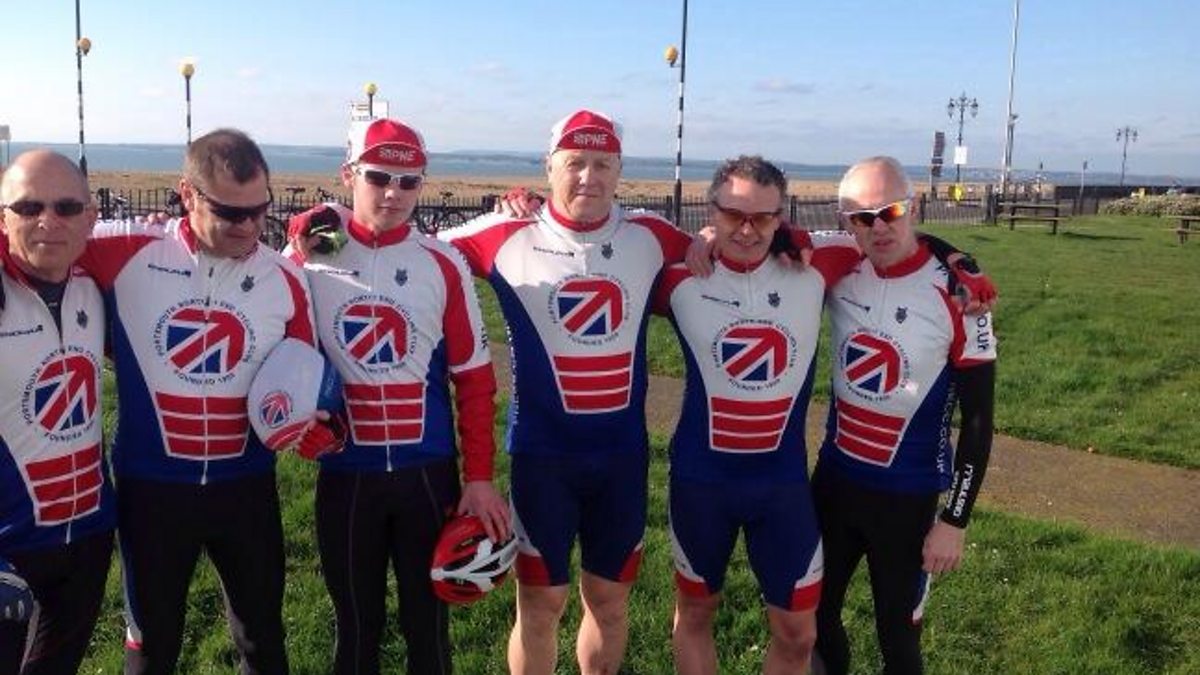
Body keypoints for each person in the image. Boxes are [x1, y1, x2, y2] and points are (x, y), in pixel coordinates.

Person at [79, 129, 322, 675]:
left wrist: (318, 426)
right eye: (230, 213)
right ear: (187, 194)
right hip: (152, 488)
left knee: (262, 638)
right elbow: (30, 237)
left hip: (247, 485)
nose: (249, 227)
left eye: (260, 210)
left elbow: (306, 379)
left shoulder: (285, 277)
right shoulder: (127, 249)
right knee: (152, 644)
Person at [286, 118, 510, 675]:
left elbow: (475, 379)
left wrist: (480, 477)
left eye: (409, 181)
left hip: (426, 476)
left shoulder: (443, 263)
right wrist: (293, 420)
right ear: (348, 175)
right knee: (355, 630)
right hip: (347, 475)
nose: (393, 193)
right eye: (379, 177)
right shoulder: (312, 255)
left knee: (428, 631)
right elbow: (278, 359)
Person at [655, 156, 866, 674]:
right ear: (711, 210)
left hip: (780, 484)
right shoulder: (678, 278)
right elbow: (605, 246)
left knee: (798, 633)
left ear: (781, 216)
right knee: (696, 611)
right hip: (702, 480)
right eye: (733, 215)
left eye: (764, 218)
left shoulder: (813, 266)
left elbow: (892, 238)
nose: (747, 230)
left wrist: (958, 262)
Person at [811, 156, 997, 675]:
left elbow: (979, 420)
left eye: (890, 211)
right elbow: (765, 234)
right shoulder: (841, 266)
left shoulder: (960, 295)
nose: (878, 227)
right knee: (813, 617)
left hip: (908, 501)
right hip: (834, 484)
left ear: (912, 208)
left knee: (898, 639)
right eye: (862, 217)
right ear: (846, 221)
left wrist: (954, 520)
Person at [0, 150, 115, 675]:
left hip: (89, 533)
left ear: (90, 217)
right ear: (3, 218)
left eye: (66, 207)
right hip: (9, 547)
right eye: (28, 207)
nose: (49, 221)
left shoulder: (99, 286)